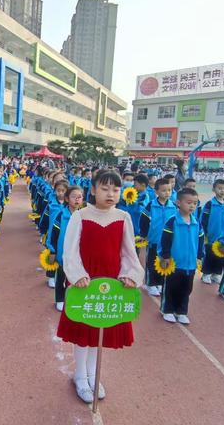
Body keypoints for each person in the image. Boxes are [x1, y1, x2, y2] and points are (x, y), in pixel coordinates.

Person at [57, 171, 144, 403]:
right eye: (105, 189)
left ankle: (93, 375)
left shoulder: (123, 217)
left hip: (110, 283)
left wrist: (130, 275)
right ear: (93, 190)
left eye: (116, 189)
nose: (111, 194)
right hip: (86, 282)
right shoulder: (81, 215)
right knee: (83, 330)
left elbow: (128, 252)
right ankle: (80, 376)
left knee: (100, 328)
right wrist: (77, 275)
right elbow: (70, 250)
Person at [158, 188, 204, 324]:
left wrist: (199, 256)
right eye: (188, 202)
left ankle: (181, 311)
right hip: (174, 263)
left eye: (195, 203)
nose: (192, 206)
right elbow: (165, 239)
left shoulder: (196, 222)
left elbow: (200, 239)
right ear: (178, 202)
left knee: (186, 289)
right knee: (171, 287)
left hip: (190, 264)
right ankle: (167, 309)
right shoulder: (172, 221)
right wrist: (165, 256)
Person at [48, 185, 84, 311]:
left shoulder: (84, 216)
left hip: (79, 254)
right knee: (61, 277)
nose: (77, 200)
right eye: (74, 197)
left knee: (77, 277)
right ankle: (59, 298)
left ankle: (74, 298)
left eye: (80, 197)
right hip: (63, 253)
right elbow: (54, 234)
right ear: (67, 199)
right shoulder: (61, 215)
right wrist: (52, 250)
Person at [139, 178, 177, 296]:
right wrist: (144, 235)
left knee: (163, 263)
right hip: (154, 240)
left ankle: (160, 283)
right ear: (156, 191)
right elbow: (144, 220)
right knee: (151, 262)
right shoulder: (151, 205)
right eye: (164, 190)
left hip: (166, 242)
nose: (167, 193)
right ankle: (150, 284)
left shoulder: (174, 207)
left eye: (169, 190)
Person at [38, 179, 69, 288]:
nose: (60, 193)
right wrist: (42, 230)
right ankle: (50, 276)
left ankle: (63, 277)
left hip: (65, 236)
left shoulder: (69, 206)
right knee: (52, 255)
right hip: (52, 234)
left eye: (63, 190)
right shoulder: (51, 205)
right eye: (58, 190)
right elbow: (45, 217)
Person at [200, 179, 224, 285]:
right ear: (214, 189)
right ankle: (206, 274)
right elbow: (204, 219)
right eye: (220, 188)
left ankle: (216, 274)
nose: (222, 191)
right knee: (210, 255)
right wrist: (204, 233)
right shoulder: (210, 204)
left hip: (222, 237)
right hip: (211, 236)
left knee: (220, 256)